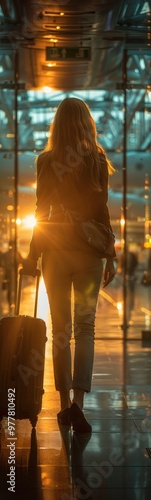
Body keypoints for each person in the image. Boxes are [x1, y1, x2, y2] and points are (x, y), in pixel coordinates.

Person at [23, 97, 116, 433]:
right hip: (89, 253)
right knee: (85, 328)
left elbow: (40, 212)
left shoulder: (46, 161)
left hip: (56, 253)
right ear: (86, 123)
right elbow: (101, 212)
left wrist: (33, 256)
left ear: (56, 124)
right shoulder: (97, 159)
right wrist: (111, 253)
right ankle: (79, 404)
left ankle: (63, 406)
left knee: (60, 330)